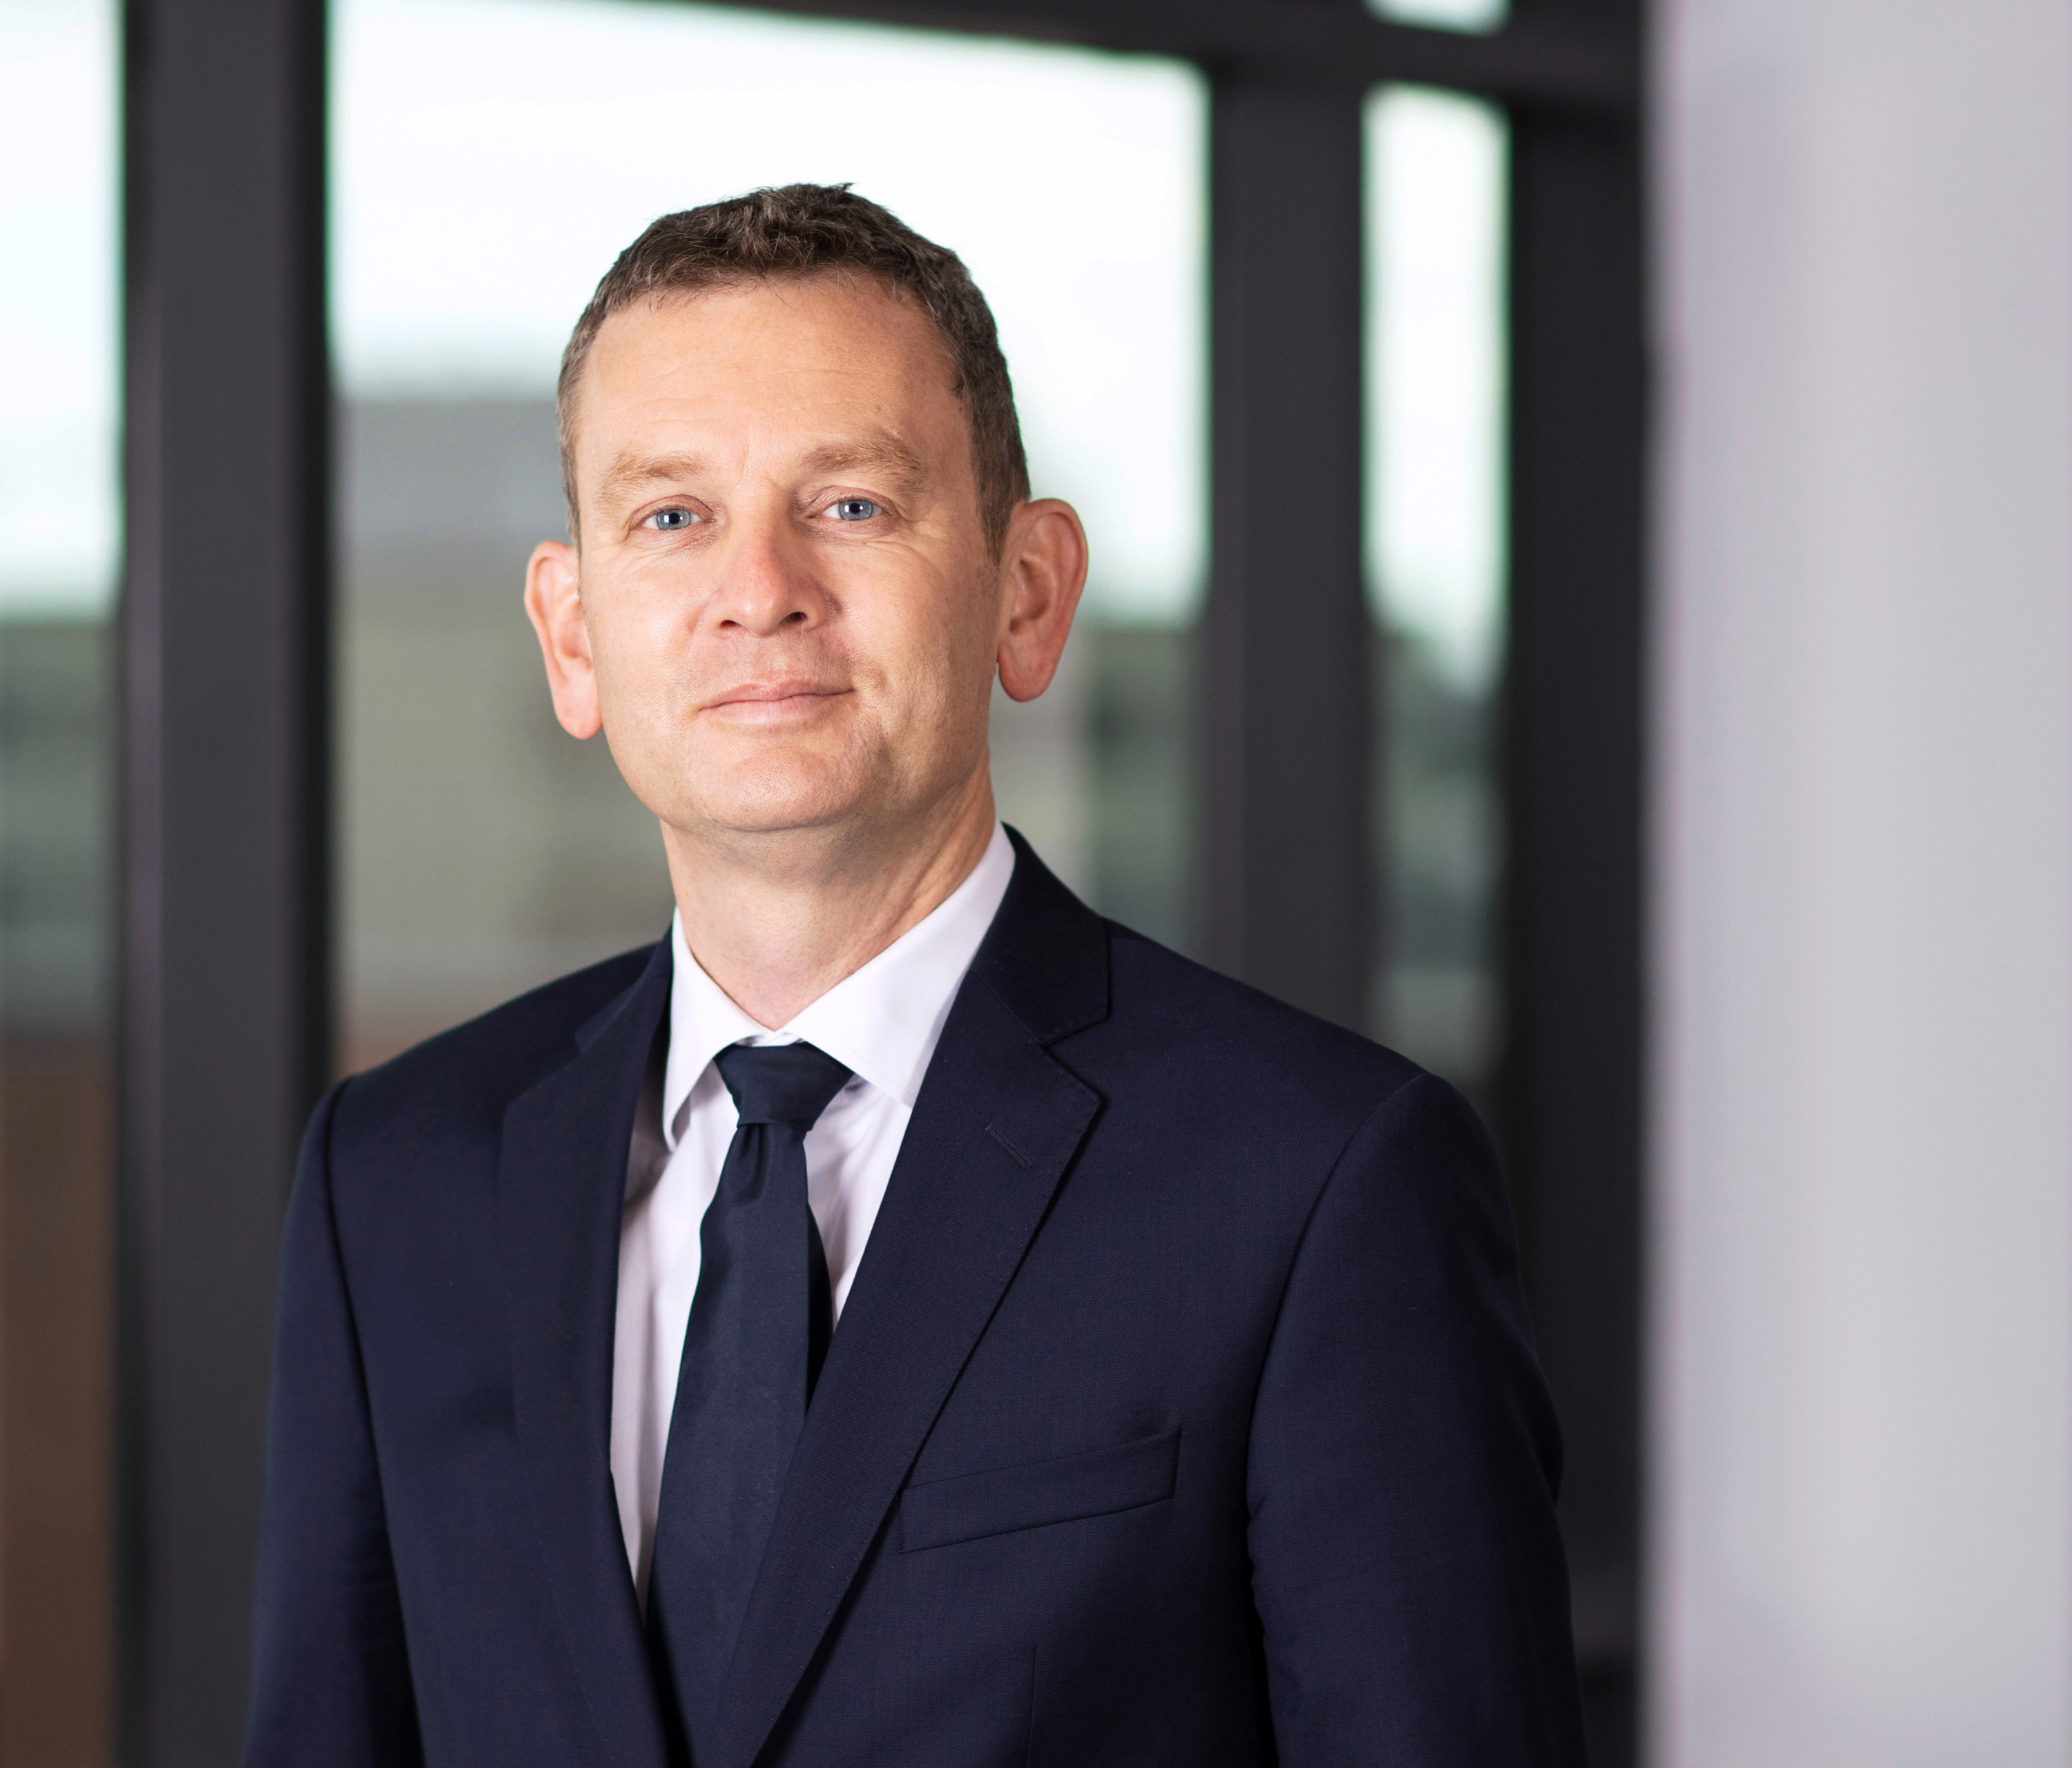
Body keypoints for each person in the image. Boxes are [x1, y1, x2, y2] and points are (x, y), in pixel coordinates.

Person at [242, 183, 1586, 1768]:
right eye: (671, 517)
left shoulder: (1320, 1182)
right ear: (574, 634)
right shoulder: (396, 1183)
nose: (761, 586)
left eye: (853, 504)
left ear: (1029, 591)